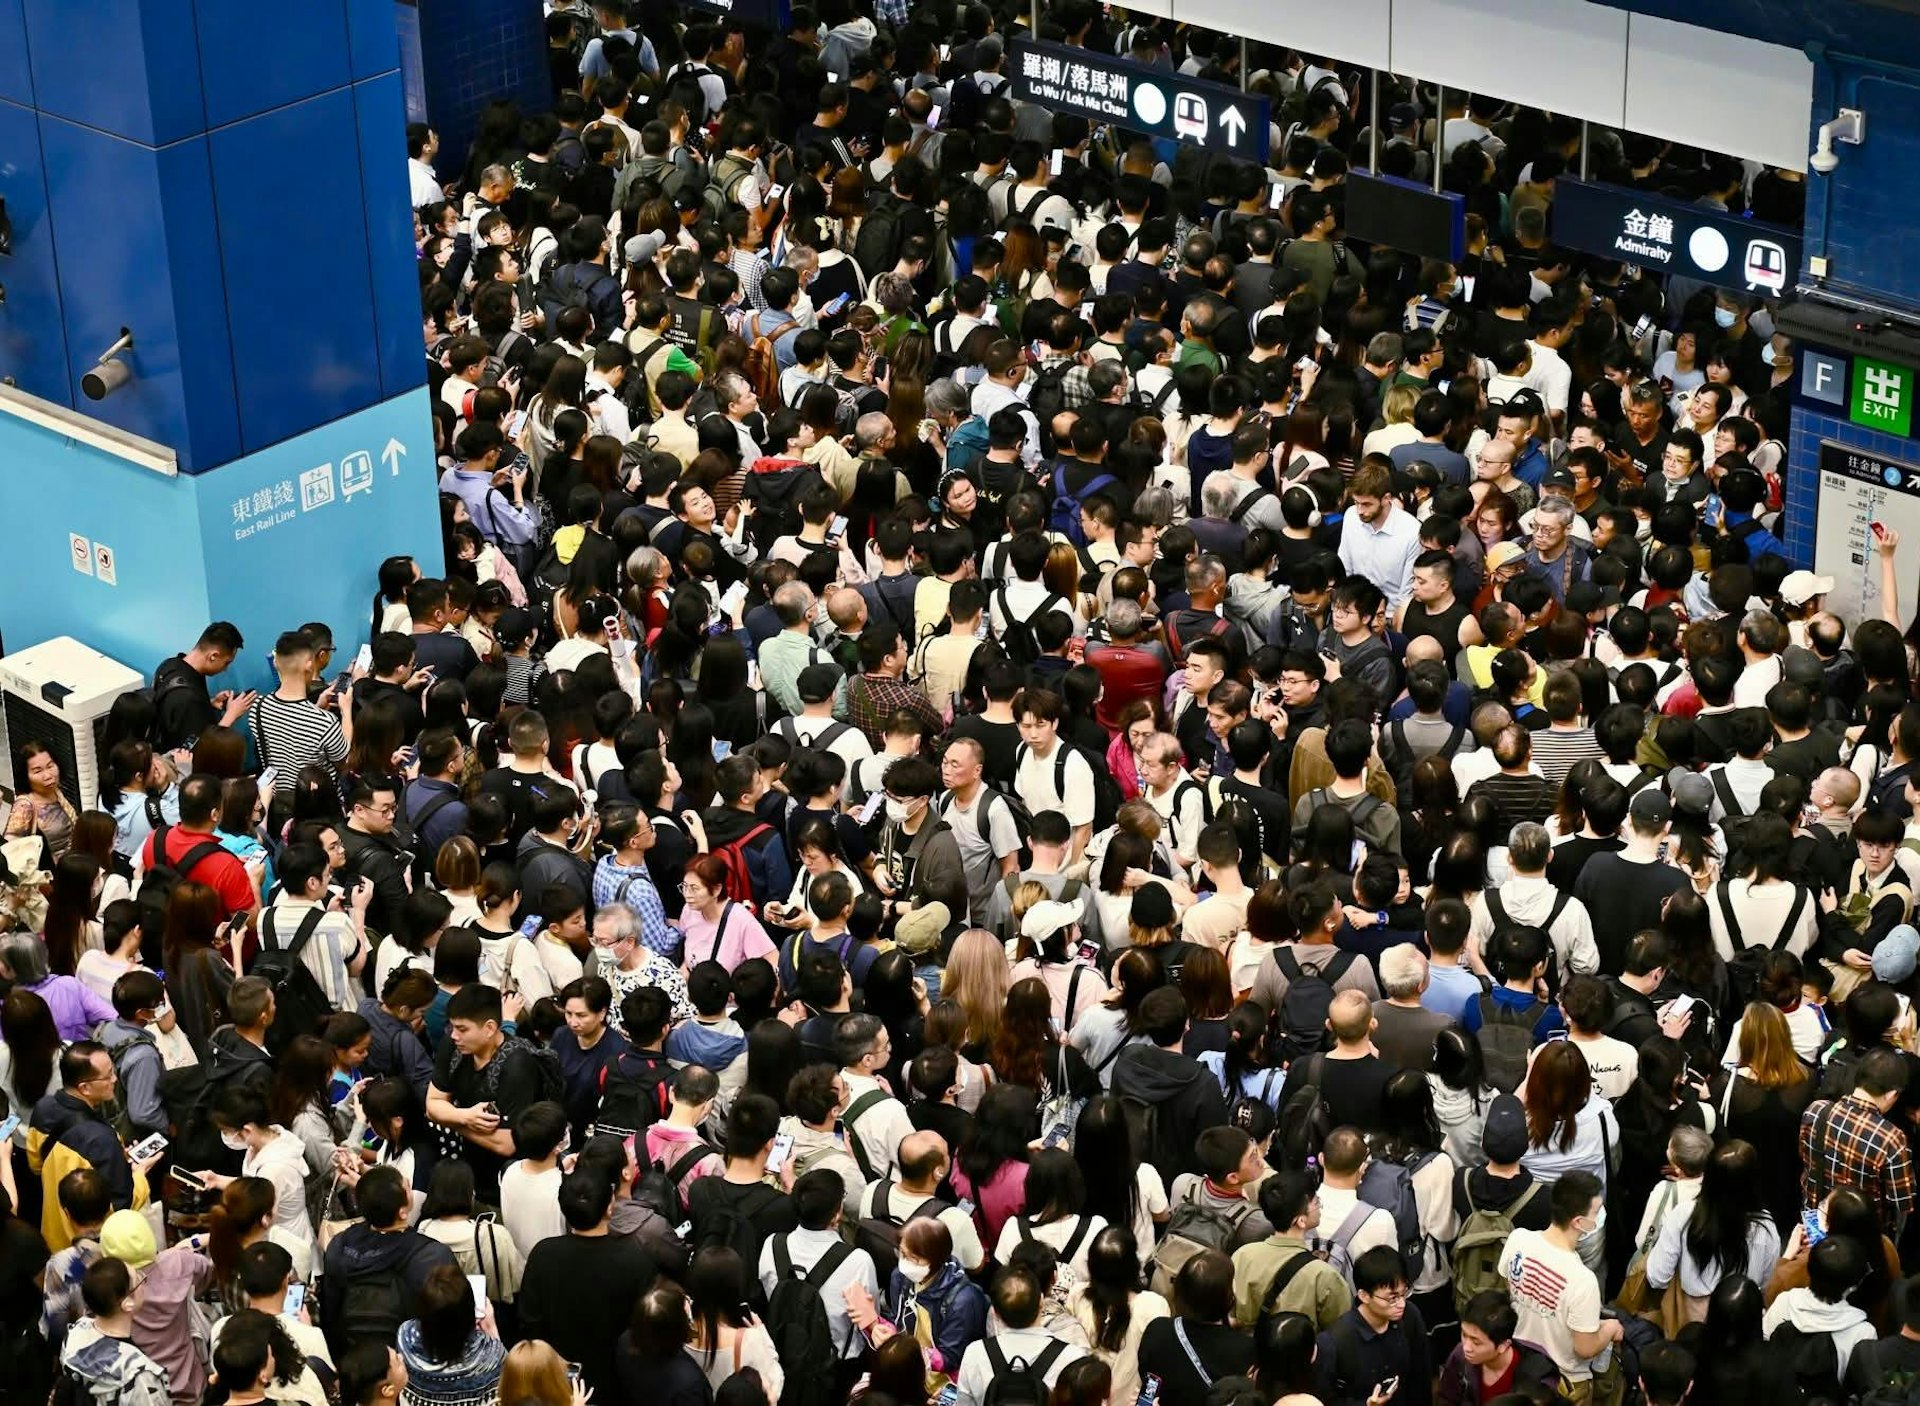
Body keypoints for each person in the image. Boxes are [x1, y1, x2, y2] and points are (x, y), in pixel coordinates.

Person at [519, 1167, 660, 1395]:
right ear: (609, 1208)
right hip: (616, 1384)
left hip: (556, 1380)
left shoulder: (542, 1255)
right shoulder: (636, 1261)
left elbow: (529, 1322)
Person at [1498, 1171, 1622, 1398]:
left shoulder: (1518, 1238)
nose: (1599, 1216)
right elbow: (1584, 1348)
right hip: (1563, 1382)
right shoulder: (1583, 1280)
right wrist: (1610, 1329)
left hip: (1519, 1364)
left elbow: (1509, 1287)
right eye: (1596, 1212)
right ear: (1579, 1222)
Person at [395, 1264, 507, 1406]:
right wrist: (491, 1328)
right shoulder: (490, 1358)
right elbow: (510, 1380)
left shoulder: (404, 1336)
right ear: (470, 1313)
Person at [1439, 1289, 1563, 1406]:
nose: (1466, 1347)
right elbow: (1447, 1399)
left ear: (1503, 1346)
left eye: (1476, 1342)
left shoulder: (1537, 1375)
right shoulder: (1460, 1357)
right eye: (1464, 1335)